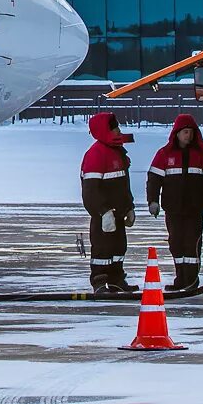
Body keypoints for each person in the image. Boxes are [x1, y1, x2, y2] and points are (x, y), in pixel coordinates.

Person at [146, 113, 203, 291]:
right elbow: (154, 179)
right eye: (185, 132)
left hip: (195, 210)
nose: (189, 136)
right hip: (173, 209)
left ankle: (192, 280)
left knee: (192, 244)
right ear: (177, 133)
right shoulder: (164, 154)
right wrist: (152, 201)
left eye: (191, 132)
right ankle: (181, 279)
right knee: (176, 243)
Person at [80, 111, 137, 293]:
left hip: (118, 214)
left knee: (119, 248)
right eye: (115, 128)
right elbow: (90, 191)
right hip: (104, 216)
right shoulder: (95, 155)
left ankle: (116, 279)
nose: (119, 131)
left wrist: (129, 207)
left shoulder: (117, 152)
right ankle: (99, 281)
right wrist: (102, 211)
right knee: (102, 250)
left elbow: (124, 184)